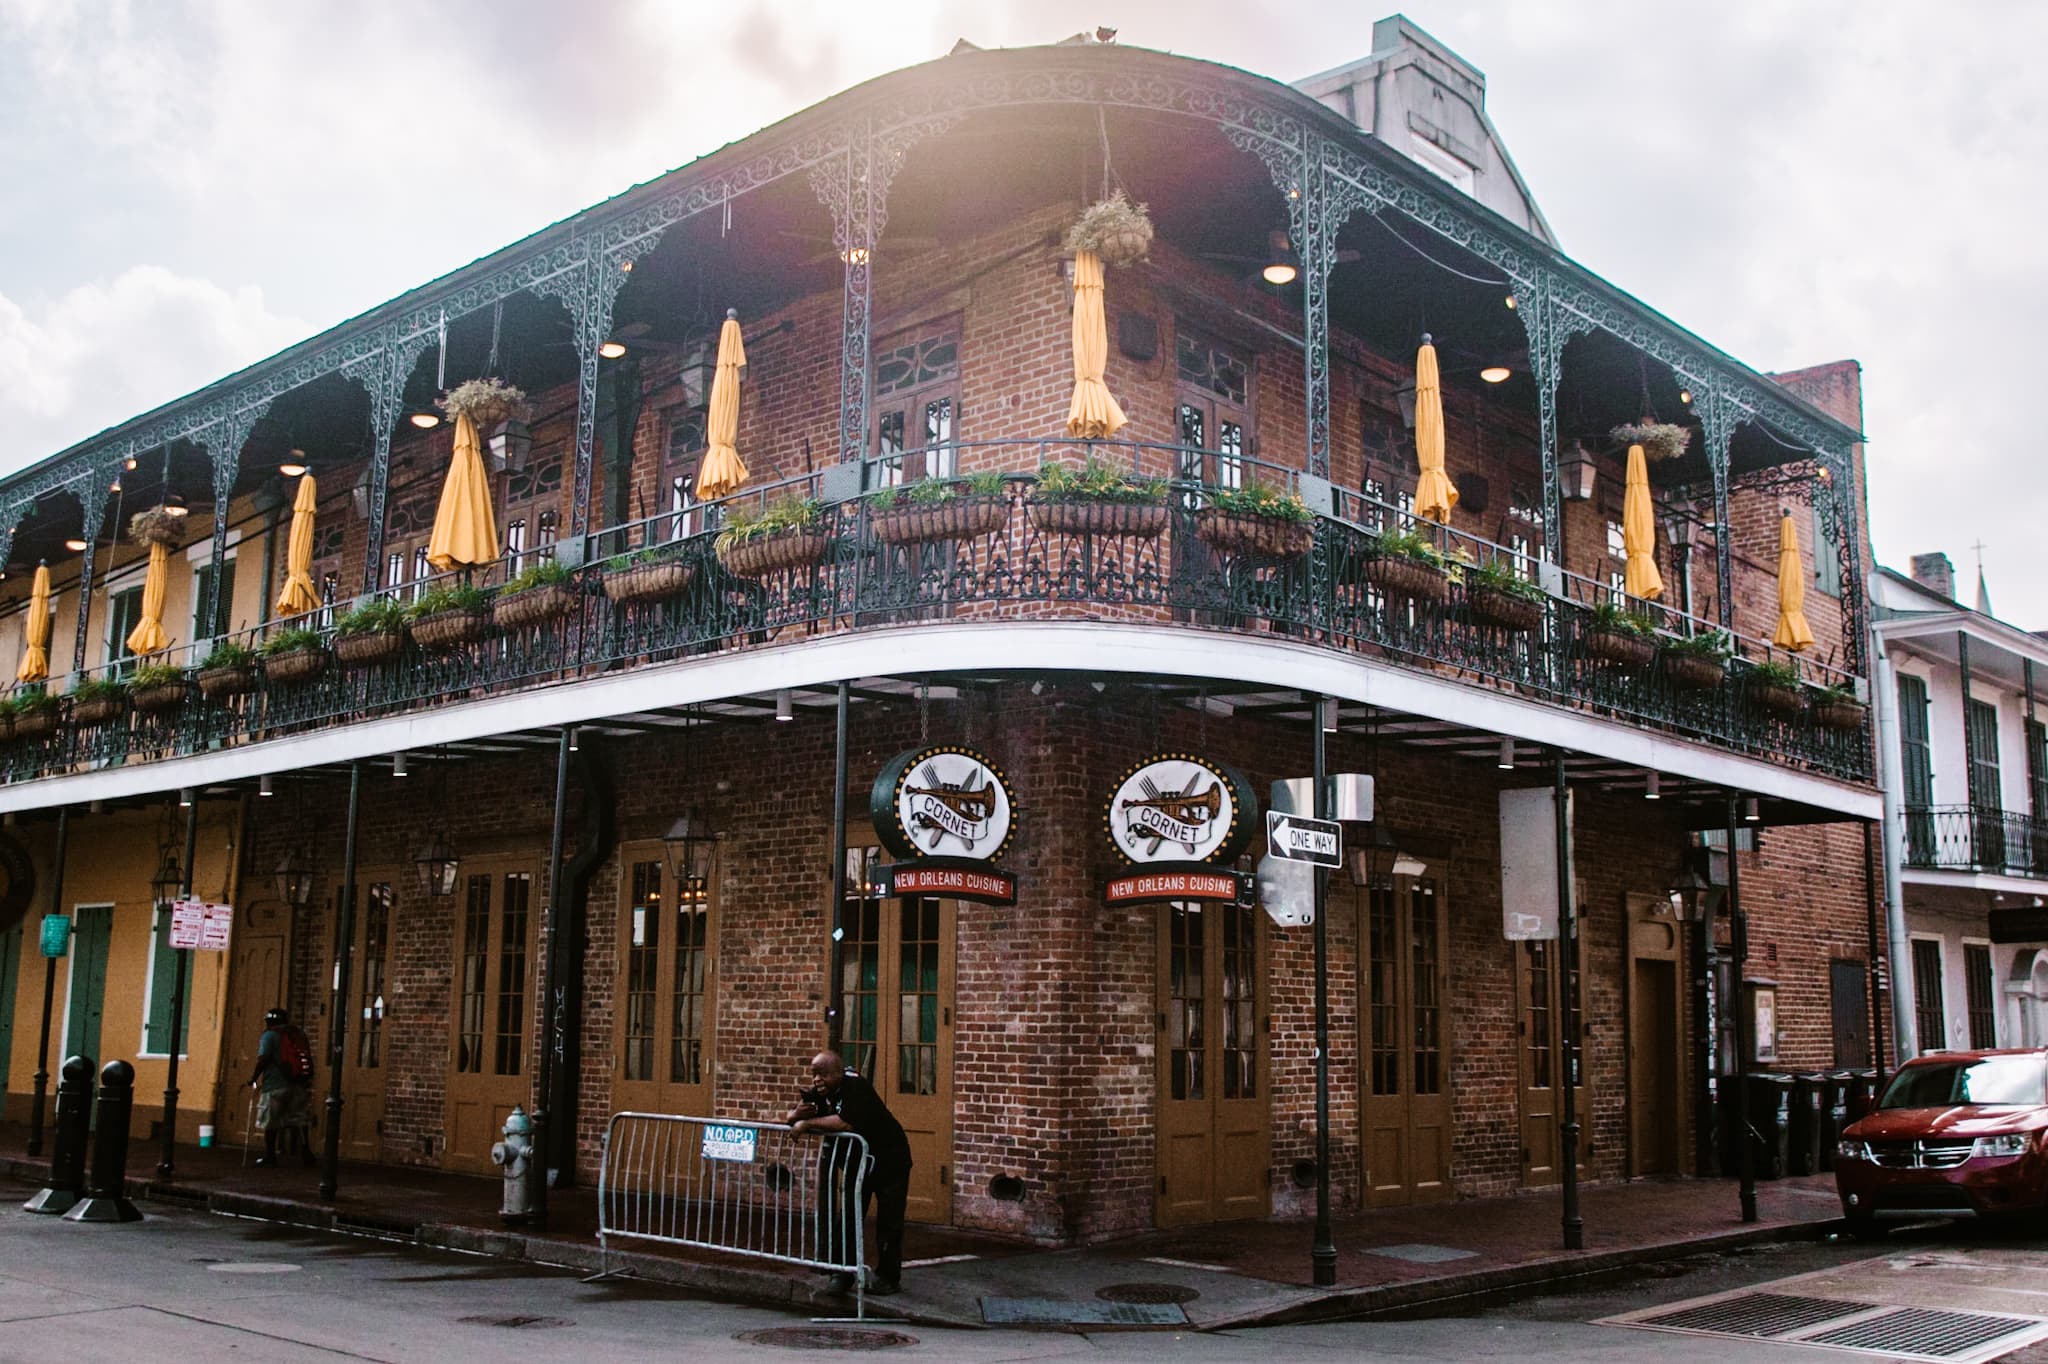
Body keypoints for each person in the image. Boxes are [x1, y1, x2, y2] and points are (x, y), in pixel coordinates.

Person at [786, 1050, 912, 1296]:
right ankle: (841, 1274)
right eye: (814, 1075)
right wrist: (796, 1116)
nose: (817, 1080)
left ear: (839, 1073)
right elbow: (793, 1115)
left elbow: (845, 1122)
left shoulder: (856, 1087)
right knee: (848, 1218)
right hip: (858, 1162)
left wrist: (807, 1124)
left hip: (889, 1160)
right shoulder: (820, 1093)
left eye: (823, 1074)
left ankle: (888, 1277)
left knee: (889, 1220)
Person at [248, 1007, 314, 1168]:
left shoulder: (269, 1035)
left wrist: (253, 1078)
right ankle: (306, 1152)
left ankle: (270, 1156)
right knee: (299, 1119)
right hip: (298, 1084)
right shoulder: (298, 1034)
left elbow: (263, 1059)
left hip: (275, 1085)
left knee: (270, 1121)